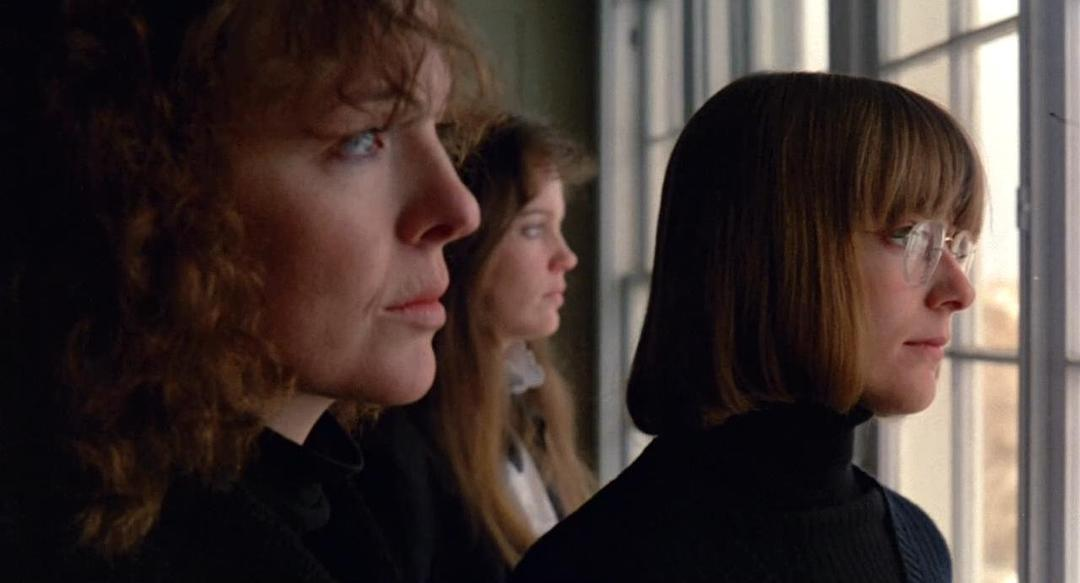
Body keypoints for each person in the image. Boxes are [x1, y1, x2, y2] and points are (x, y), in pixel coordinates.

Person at [0, 1, 486, 580]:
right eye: (362, 138)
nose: (461, 209)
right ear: (150, 192)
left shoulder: (349, 506)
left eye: (441, 131)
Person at [511, 72, 984, 583]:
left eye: (956, 245)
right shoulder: (590, 568)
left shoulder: (917, 543)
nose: (960, 291)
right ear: (771, 254)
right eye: (909, 236)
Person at [359, 114, 595, 583]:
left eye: (560, 226)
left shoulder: (530, 414)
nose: (565, 257)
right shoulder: (399, 450)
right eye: (534, 229)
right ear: (467, 245)